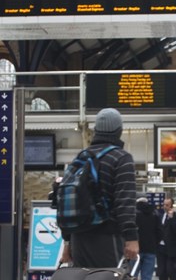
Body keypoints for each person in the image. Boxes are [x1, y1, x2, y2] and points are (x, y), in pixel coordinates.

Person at [60, 108, 139, 268]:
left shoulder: (81, 157)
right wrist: (131, 237)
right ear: (119, 131)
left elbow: (68, 201)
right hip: (107, 237)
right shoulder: (122, 158)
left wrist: (67, 243)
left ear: (96, 130)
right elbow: (125, 201)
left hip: (78, 238)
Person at [135, 196, 161, 280]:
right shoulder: (154, 214)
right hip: (151, 250)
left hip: (135, 251)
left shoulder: (134, 214)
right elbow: (160, 233)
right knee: (146, 279)